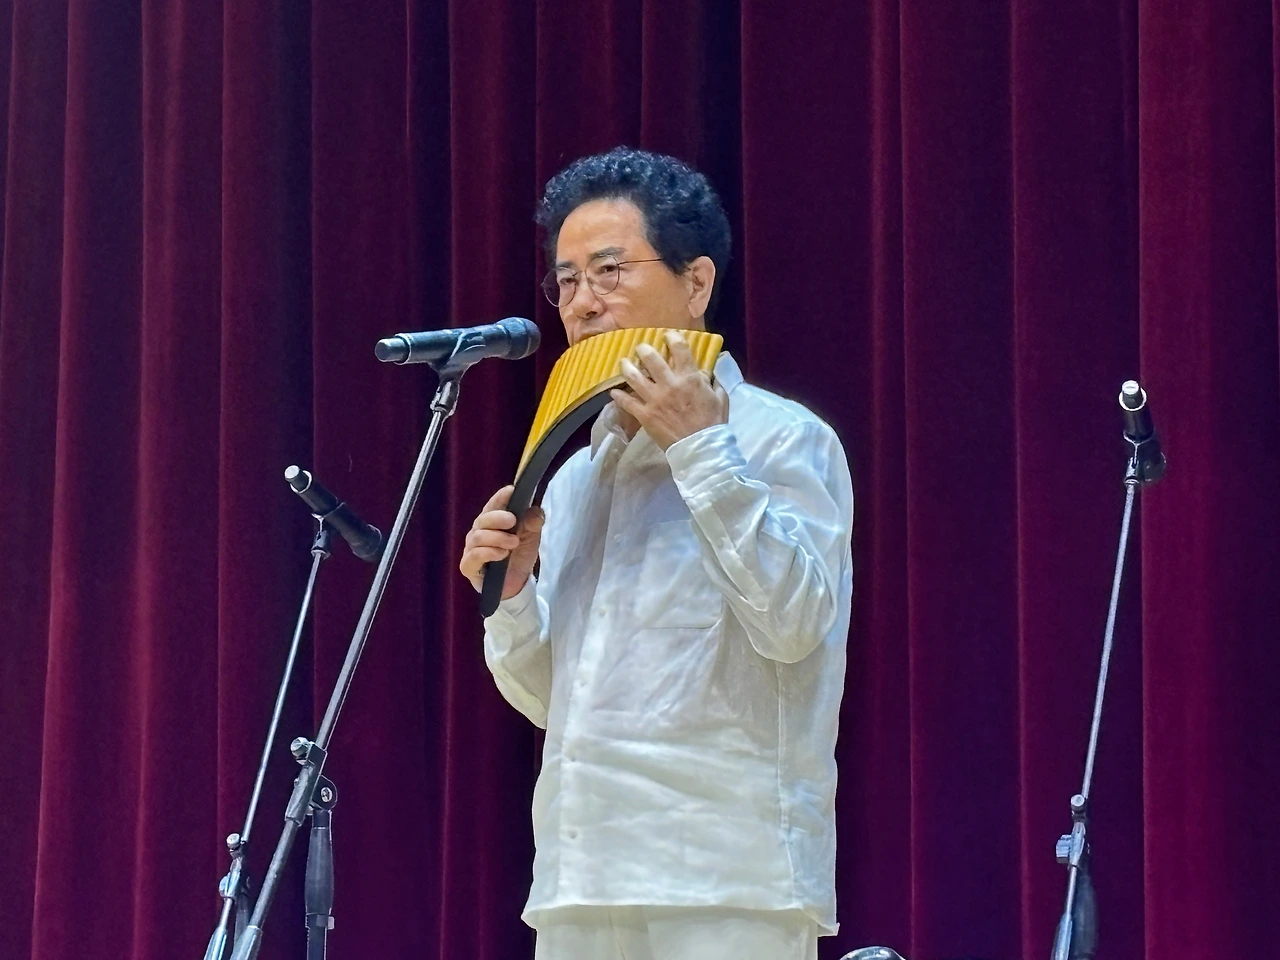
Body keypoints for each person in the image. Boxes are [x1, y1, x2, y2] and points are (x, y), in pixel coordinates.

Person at [458, 147, 854, 960]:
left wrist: (702, 451)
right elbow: (554, 702)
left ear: (696, 284)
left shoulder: (783, 439)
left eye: (609, 271)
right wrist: (513, 596)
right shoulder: (575, 478)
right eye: (566, 281)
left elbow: (794, 627)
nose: (583, 303)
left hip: (726, 877)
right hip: (578, 874)